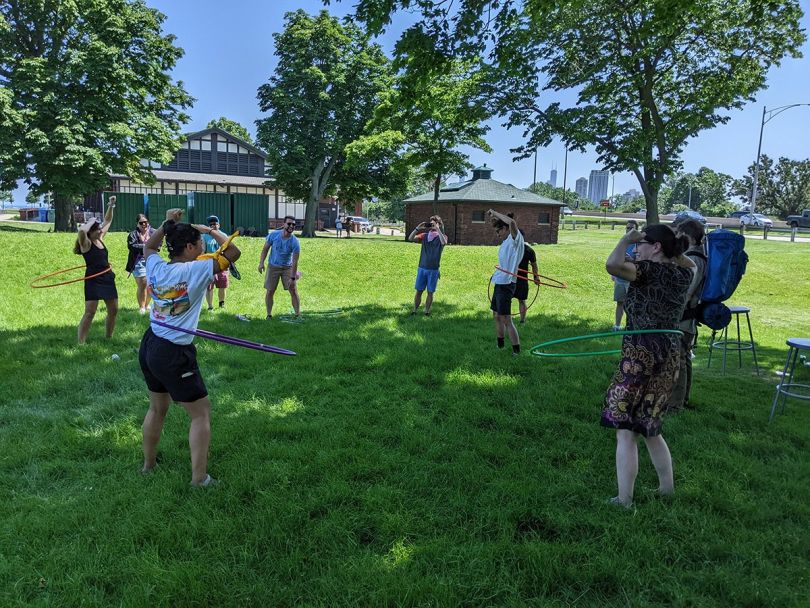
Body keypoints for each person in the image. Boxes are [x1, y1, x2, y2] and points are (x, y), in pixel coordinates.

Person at [139, 208, 241, 486]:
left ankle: (148, 466)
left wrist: (166, 224)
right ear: (189, 246)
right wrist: (210, 231)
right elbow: (233, 253)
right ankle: (199, 479)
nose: (202, 247)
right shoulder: (197, 268)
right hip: (174, 351)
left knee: (156, 409)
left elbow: (149, 245)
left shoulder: (157, 265)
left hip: (151, 344)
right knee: (201, 413)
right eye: (198, 243)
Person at [603, 224, 696, 507]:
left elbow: (612, 265)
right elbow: (688, 260)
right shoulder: (683, 274)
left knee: (625, 428)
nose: (636, 249)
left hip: (640, 355)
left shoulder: (647, 272)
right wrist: (668, 246)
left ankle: (624, 499)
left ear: (655, 248)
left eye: (641, 244)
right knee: (650, 425)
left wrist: (625, 239)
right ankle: (666, 490)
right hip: (668, 356)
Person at [669, 218, 707, 411]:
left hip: (684, 316)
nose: (676, 237)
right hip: (689, 316)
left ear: (689, 237)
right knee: (684, 357)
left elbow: (688, 290)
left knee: (678, 359)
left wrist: (676, 312)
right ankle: (683, 398)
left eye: (679, 234)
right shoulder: (699, 255)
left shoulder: (694, 259)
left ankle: (675, 404)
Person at [74, 196, 118, 344]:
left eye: (100, 229)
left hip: (107, 277)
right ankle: (81, 342)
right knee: (90, 312)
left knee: (113, 310)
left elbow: (108, 221)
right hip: (93, 278)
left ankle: (109, 337)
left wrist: (111, 206)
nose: (100, 230)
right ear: (90, 231)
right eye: (97, 229)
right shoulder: (85, 244)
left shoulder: (100, 239)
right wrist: (91, 222)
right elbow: (81, 231)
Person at [488, 209, 524, 355]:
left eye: (498, 231)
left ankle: (516, 351)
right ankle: (500, 345)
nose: (497, 235)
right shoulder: (506, 242)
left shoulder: (516, 239)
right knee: (496, 315)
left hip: (507, 283)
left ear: (505, 228)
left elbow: (512, 223)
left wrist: (495, 213)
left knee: (506, 319)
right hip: (500, 281)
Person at [258, 215, 300, 319]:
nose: (291, 226)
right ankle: (269, 315)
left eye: (293, 224)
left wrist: (293, 277)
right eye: (289, 224)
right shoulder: (274, 235)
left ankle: (298, 314)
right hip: (273, 266)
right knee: (270, 291)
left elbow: (295, 261)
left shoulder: (295, 241)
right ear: (284, 224)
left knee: (293, 290)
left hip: (287, 267)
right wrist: (261, 263)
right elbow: (265, 249)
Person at [408, 215, 447, 316]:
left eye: (435, 223)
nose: (432, 225)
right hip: (422, 268)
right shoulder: (424, 236)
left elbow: (444, 242)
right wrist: (418, 228)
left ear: (439, 224)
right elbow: (410, 238)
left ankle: (426, 311)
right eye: (431, 223)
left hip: (433, 270)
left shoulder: (442, 236)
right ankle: (415, 310)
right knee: (419, 291)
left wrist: (438, 229)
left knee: (430, 292)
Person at [612, 219, 639, 330]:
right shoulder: (622, 243)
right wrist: (614, 272)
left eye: (631, 228)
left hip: (631, 279)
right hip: (620, 278)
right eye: (627, 228)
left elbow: (641, 264)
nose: (629, 230)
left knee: (631, 304)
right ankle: (617, 325)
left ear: (636, 230)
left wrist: (631, 260)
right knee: (620, 302)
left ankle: (631, 326)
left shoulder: (639, 245)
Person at [126, 213, 155, 315]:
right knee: (142, 284)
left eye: (145, 222)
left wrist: (147, 247)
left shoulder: (153, 232)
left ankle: (147, 305)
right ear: (137, 223)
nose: (144, 224)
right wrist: (146, 246)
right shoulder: (133, 234)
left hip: (151, 260)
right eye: (141, 223)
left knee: (152, 284)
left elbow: (158, 244)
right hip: (138, 261)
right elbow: (132, 246)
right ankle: (142, 307)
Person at [202, 215, 230, 311]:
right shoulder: (204, 237)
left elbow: (228, 250)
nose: (213, 226)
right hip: (209, 264)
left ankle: (221, 304)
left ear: (219, 225)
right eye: (211, 224)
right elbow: (203, 252)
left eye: (215, 224)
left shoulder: (224, 236)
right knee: (209, 287)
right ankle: (210, 306)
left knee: (222, 285)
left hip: (222, 264)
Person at [514, 229, 540, 324]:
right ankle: (506, 319)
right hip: (509, 278)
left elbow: (534, 265)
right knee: (506, 299)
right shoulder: (510, 248)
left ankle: (522, 321)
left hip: (522, 279)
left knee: (522, 300)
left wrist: (536, 277)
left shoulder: (529, 250)